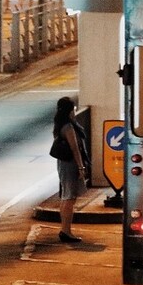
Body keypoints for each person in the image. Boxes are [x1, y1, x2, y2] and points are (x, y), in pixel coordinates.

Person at [51, 96, 91, 243]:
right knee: (69, 198)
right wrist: (81, 167)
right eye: (73, 109)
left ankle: (65, 229)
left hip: (63, 164)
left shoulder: (59, 124)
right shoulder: (68, 127)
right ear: (70, 110)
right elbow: (75, 148)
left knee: (66, 197)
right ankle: (66, 231)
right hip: (70, 164)